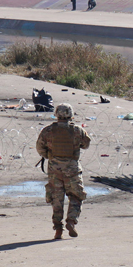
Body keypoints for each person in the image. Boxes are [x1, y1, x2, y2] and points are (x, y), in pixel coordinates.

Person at [36, 103, 91, 240]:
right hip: (72, 169)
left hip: (54, 169)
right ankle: (71, 221)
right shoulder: (77, 131)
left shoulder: (48, 131)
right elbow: (86, 144)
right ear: (71, 115)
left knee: (56, 199)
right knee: (76, 196)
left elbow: (40, 148)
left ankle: (58, 228)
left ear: (56, 114)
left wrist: (49, 156)